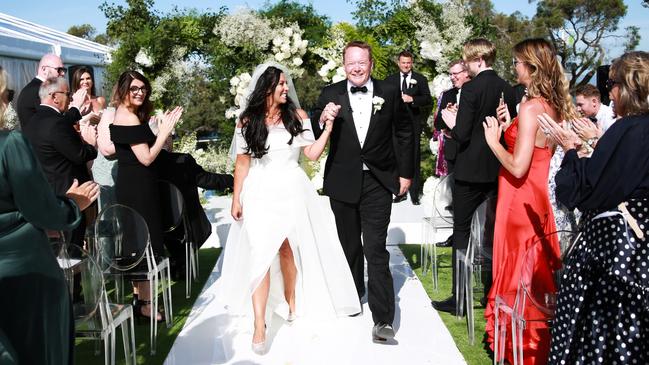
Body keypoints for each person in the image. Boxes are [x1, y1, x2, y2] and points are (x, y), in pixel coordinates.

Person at [218, 63, 360, 355]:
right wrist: (236, 198)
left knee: (287, 247)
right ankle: (260, 323)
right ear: (267, 89)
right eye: (281, 84)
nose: (286, 88)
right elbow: (242, 163)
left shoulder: (298, 116)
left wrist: (327, 130)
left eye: (286, 83)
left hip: (292, 189)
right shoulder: (247, 121)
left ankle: (292, 300)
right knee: (261, 252)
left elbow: (310, 153)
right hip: (259, 192)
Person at [538, 51, 649, 365]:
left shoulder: (625, 129)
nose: (610, 93)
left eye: (611, 84)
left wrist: (570, 150)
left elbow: (580, 192)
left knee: (597, 336)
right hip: (641, 255)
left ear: (625, 87)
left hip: (614, 252)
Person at [482, 38, 578, 364]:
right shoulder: (551, 105)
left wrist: (494, 141)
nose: (514, 68)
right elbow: (538, 152)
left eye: (518, 63)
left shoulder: (532, 107)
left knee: (515, 273)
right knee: (532, 276)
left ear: (531, 67)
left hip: (518, 201)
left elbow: (518, 166)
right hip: (536, 200)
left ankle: (515, 348)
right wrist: (511, 124)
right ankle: (534, 345)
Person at [312, 41, 414, 343]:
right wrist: (323, 118)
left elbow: (404, 132)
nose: (356, 67)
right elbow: (315, 134)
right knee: (349, 246)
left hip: (379, 182)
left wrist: (406, 173)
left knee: (375, 247)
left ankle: (383, 319)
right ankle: (353, 294)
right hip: (342, 181)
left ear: (371, 64)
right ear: (344, 64)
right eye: (351, 62)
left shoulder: (390, 91)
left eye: (362, 62)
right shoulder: (329, 93)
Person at [0, 65, 100, 365]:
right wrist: (74, 204)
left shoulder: (25, 131)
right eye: (7, 95)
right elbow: (40, 210)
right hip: (25, 270)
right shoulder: (8, 144)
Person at [432, 38, 516, 315]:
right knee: (493, 232)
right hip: (497, 168)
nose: (466, 67)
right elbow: (509, 128)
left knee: (461, 231)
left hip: (469, 171)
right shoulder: (506, 88)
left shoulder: (470, 89)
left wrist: (451, 122)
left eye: (468, 61)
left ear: (479, 60)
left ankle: (460, 300)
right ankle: (492, 292)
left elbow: (463, 133)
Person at [109, 70, 182, 320]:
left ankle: (141, 301)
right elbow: (147, 157)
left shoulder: (126, 113)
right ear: (124, 90)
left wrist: (160, 131)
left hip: (133, 184)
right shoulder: (128, 117)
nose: (140, 92)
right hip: (138, 187)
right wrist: (164, 131)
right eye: (134, 89)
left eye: (143, 88)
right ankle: (148, 305)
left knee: (137, 241)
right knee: (145, 241)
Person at [22, 76, 97, 249]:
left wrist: (75, 111)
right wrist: (91, 144)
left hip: (48, 192)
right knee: (71, 249)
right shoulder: (56, 123)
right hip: (69, 194)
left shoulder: (33, 121)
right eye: (67, 94)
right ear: (55, 96)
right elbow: (79, 154)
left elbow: (62, 125)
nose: (70, 99)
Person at [433, 59, 471, 248]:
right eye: (451, 74)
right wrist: (447, 116)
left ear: (467, 73)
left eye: (456, 73)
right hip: (453, 151)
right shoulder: (447, 94)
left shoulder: (474, 92)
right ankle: (457, 234)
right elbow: (438, 124)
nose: (453, 77)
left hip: (470, 151)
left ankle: (472, 234)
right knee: (455, 196)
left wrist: (459, 116)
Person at [385, 50, 432, 204]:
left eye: (408, 63)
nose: (406, 65)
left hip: (413, 125)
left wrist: (412, 99)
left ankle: (414, 193)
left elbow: (427, 99)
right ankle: (399, 192)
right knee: (396, 157)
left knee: (414, 157)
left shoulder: (420, 79)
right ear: (398, 63)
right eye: (403, 62)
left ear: (412, 63)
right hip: (394, 126)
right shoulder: (389, 80)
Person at [16, 54, 69, 128]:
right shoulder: (38, 90)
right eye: (59, 70)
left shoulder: (35, 88)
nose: (63, 73)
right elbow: (53, 122)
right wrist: (74, 108)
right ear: (44, 69)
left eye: (64, 70)